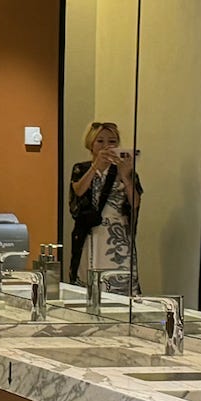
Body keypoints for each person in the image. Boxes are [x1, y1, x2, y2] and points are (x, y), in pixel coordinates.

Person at [69, 120, 141, 291]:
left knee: (120, 279)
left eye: (112, 141)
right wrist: (95, 167)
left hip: (118, 231)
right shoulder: (81, 168)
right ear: (91, 144)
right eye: (100, 141)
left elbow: (135, 202)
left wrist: (125, 176)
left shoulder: (126, 170)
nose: (106, 145)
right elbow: (78, 191)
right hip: (92, 231)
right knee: (91, 277)